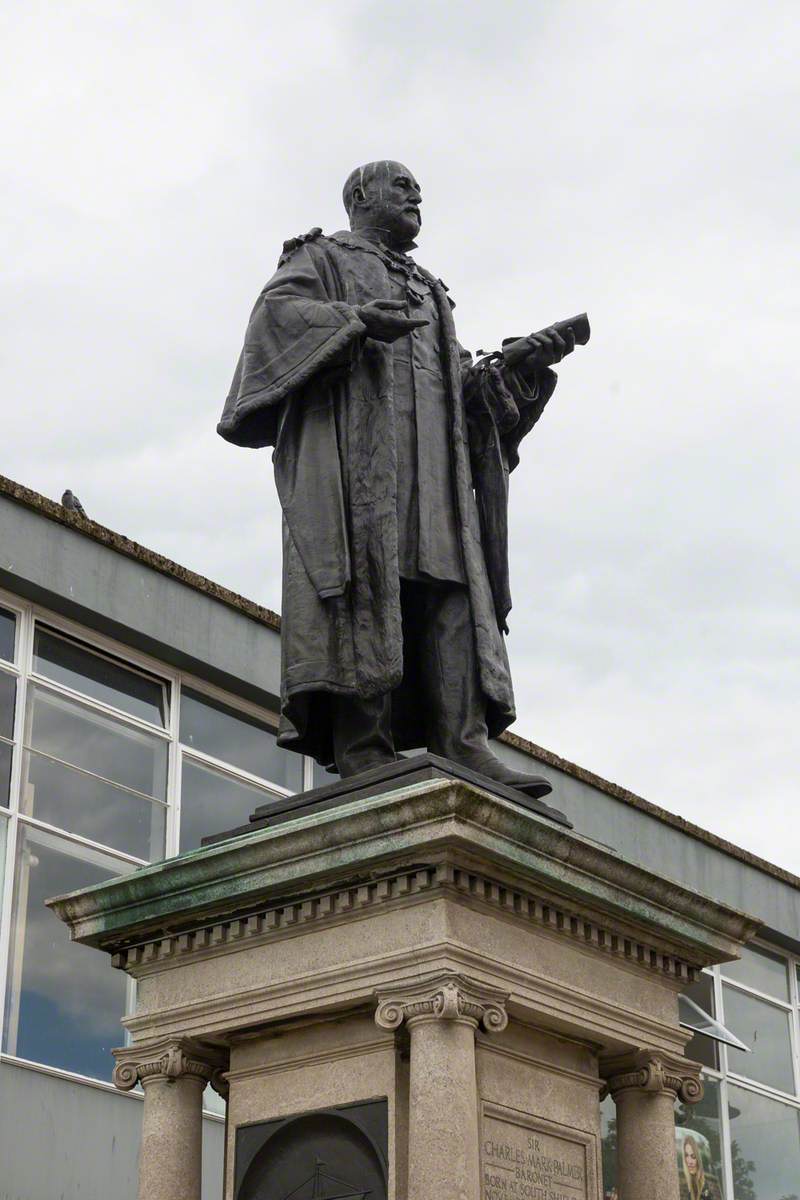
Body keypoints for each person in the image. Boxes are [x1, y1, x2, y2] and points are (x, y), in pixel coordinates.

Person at [219, 160, 580, 787]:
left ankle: (461, 739)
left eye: (420, 189)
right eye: (402, 186)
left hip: (435, 468)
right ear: (361, 196)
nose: (417, 196)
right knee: (367, 581)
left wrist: (516, 367)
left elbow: (462, 390)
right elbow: (274, 323)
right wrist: (355, 323)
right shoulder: (323, 259)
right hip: (360, 463)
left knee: (450, 589)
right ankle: (365, 743)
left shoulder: (433, 290)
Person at [681, 1134, 722, 1200]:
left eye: (693, 1156)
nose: (689, 1161)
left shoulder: (704, 1185)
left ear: (698, 1158)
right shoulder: (687, 1184)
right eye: (686, 1155)